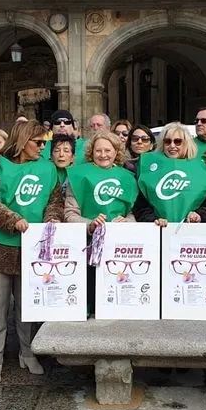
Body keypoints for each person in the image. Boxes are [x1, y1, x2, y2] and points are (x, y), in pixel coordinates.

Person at [0, 120, 63, 386]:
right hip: (0, 245)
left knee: (28, 308)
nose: (42, 148)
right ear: (23, 140)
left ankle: (27, 352)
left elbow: (54, 201)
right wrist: (12, 219)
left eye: (44, 143)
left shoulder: (48, 169)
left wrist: (52, 219)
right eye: (38, 143)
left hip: (34, 248)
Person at [65, 131, 138, 314]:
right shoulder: (78, 175)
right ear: (91, 152)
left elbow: (132, 213)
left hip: (119, 248)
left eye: (108, 150)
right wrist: (90, 224)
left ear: (116, 152)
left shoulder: (127, 177)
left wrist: (127, 221)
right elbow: (69, 214)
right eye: (98, 150)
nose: (103, 154)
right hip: (86, 247)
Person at [134, 122, 206, 226]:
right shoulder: (148, 165)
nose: (172, 145)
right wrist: (153, 220)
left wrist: (199, 215)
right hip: (157, 230)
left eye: (177, 141)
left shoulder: (202, 167)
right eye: (167, 141)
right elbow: (140, 204)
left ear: (186, 143)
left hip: (192, 231)